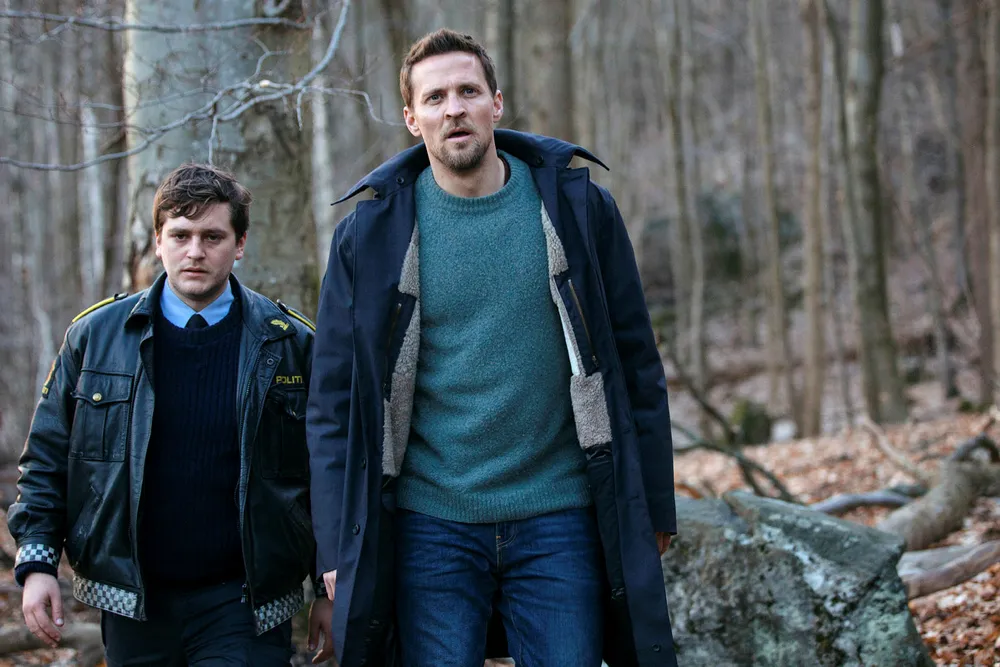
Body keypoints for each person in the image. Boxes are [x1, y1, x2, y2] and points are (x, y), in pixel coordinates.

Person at [307, 29, 677, 667]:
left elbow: (637, 362)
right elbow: (331, 404)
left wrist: (655, 504)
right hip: (429, 523)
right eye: (435, 98)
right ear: (412, 118)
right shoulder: (370, 238)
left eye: (468, 91)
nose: (454, 108)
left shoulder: (577, 211)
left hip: (560, 513)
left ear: (496, 104)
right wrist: (339, 546)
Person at [8, 163, 324, 666]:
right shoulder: (95, 338)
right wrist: (38, 562)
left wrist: (326, 583)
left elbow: (325, 472)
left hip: (245, 601)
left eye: (212, 237)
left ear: (240, 244)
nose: (195, 251)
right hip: (134, 603)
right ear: (158, 241)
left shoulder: (290, 344)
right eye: (180, 235)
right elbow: (47, 458)